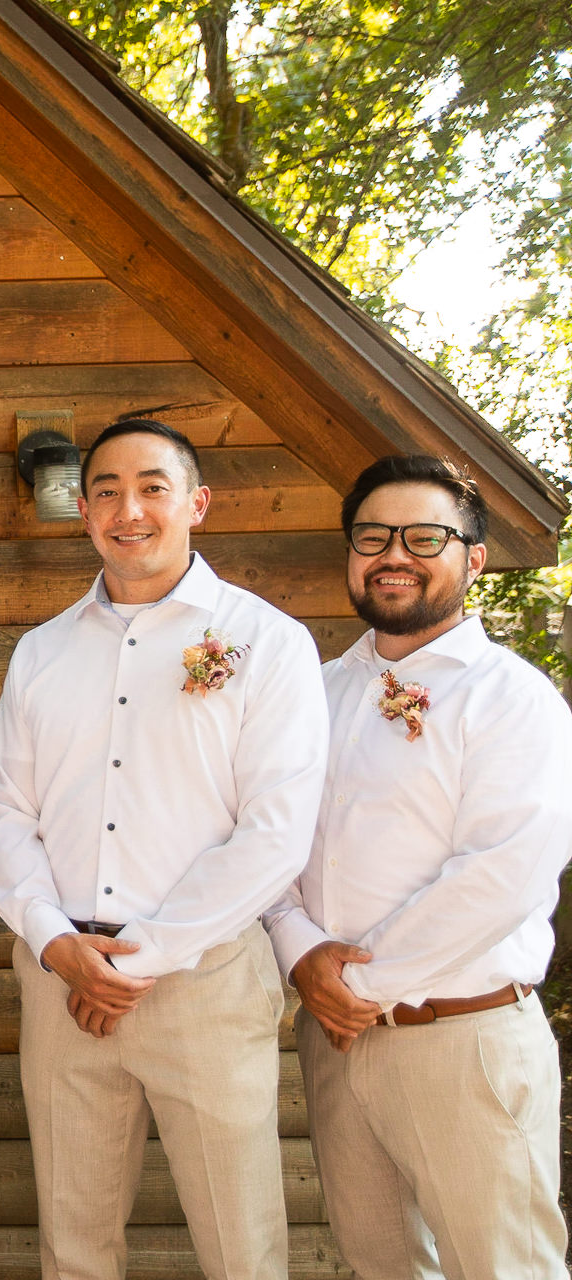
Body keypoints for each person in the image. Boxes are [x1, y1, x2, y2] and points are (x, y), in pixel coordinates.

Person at [0, 419, 327, 1280]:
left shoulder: (267, 641)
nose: (127, 509)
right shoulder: (42, 651)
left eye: (152, 488)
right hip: (64, 978)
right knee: (73, 1240)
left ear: (196, 503)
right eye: (105, 491)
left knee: (240, 1240)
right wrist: (55, 940)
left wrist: (143, 956)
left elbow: (276, 829)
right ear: (86, 511)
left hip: (202, 977)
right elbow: (5, 808)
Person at [264, 455, 572, 1280]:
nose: (393, 553)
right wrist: (300, 954)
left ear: (473, 558)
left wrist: (357, 986)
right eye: (373, 535)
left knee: (503, 1267)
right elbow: (267, 838)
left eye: (424, 536)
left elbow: (504, 872)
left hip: (460, 1038)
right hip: (335, 1040)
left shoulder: (513, 699)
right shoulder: (314, 691)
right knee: (379, 1266)